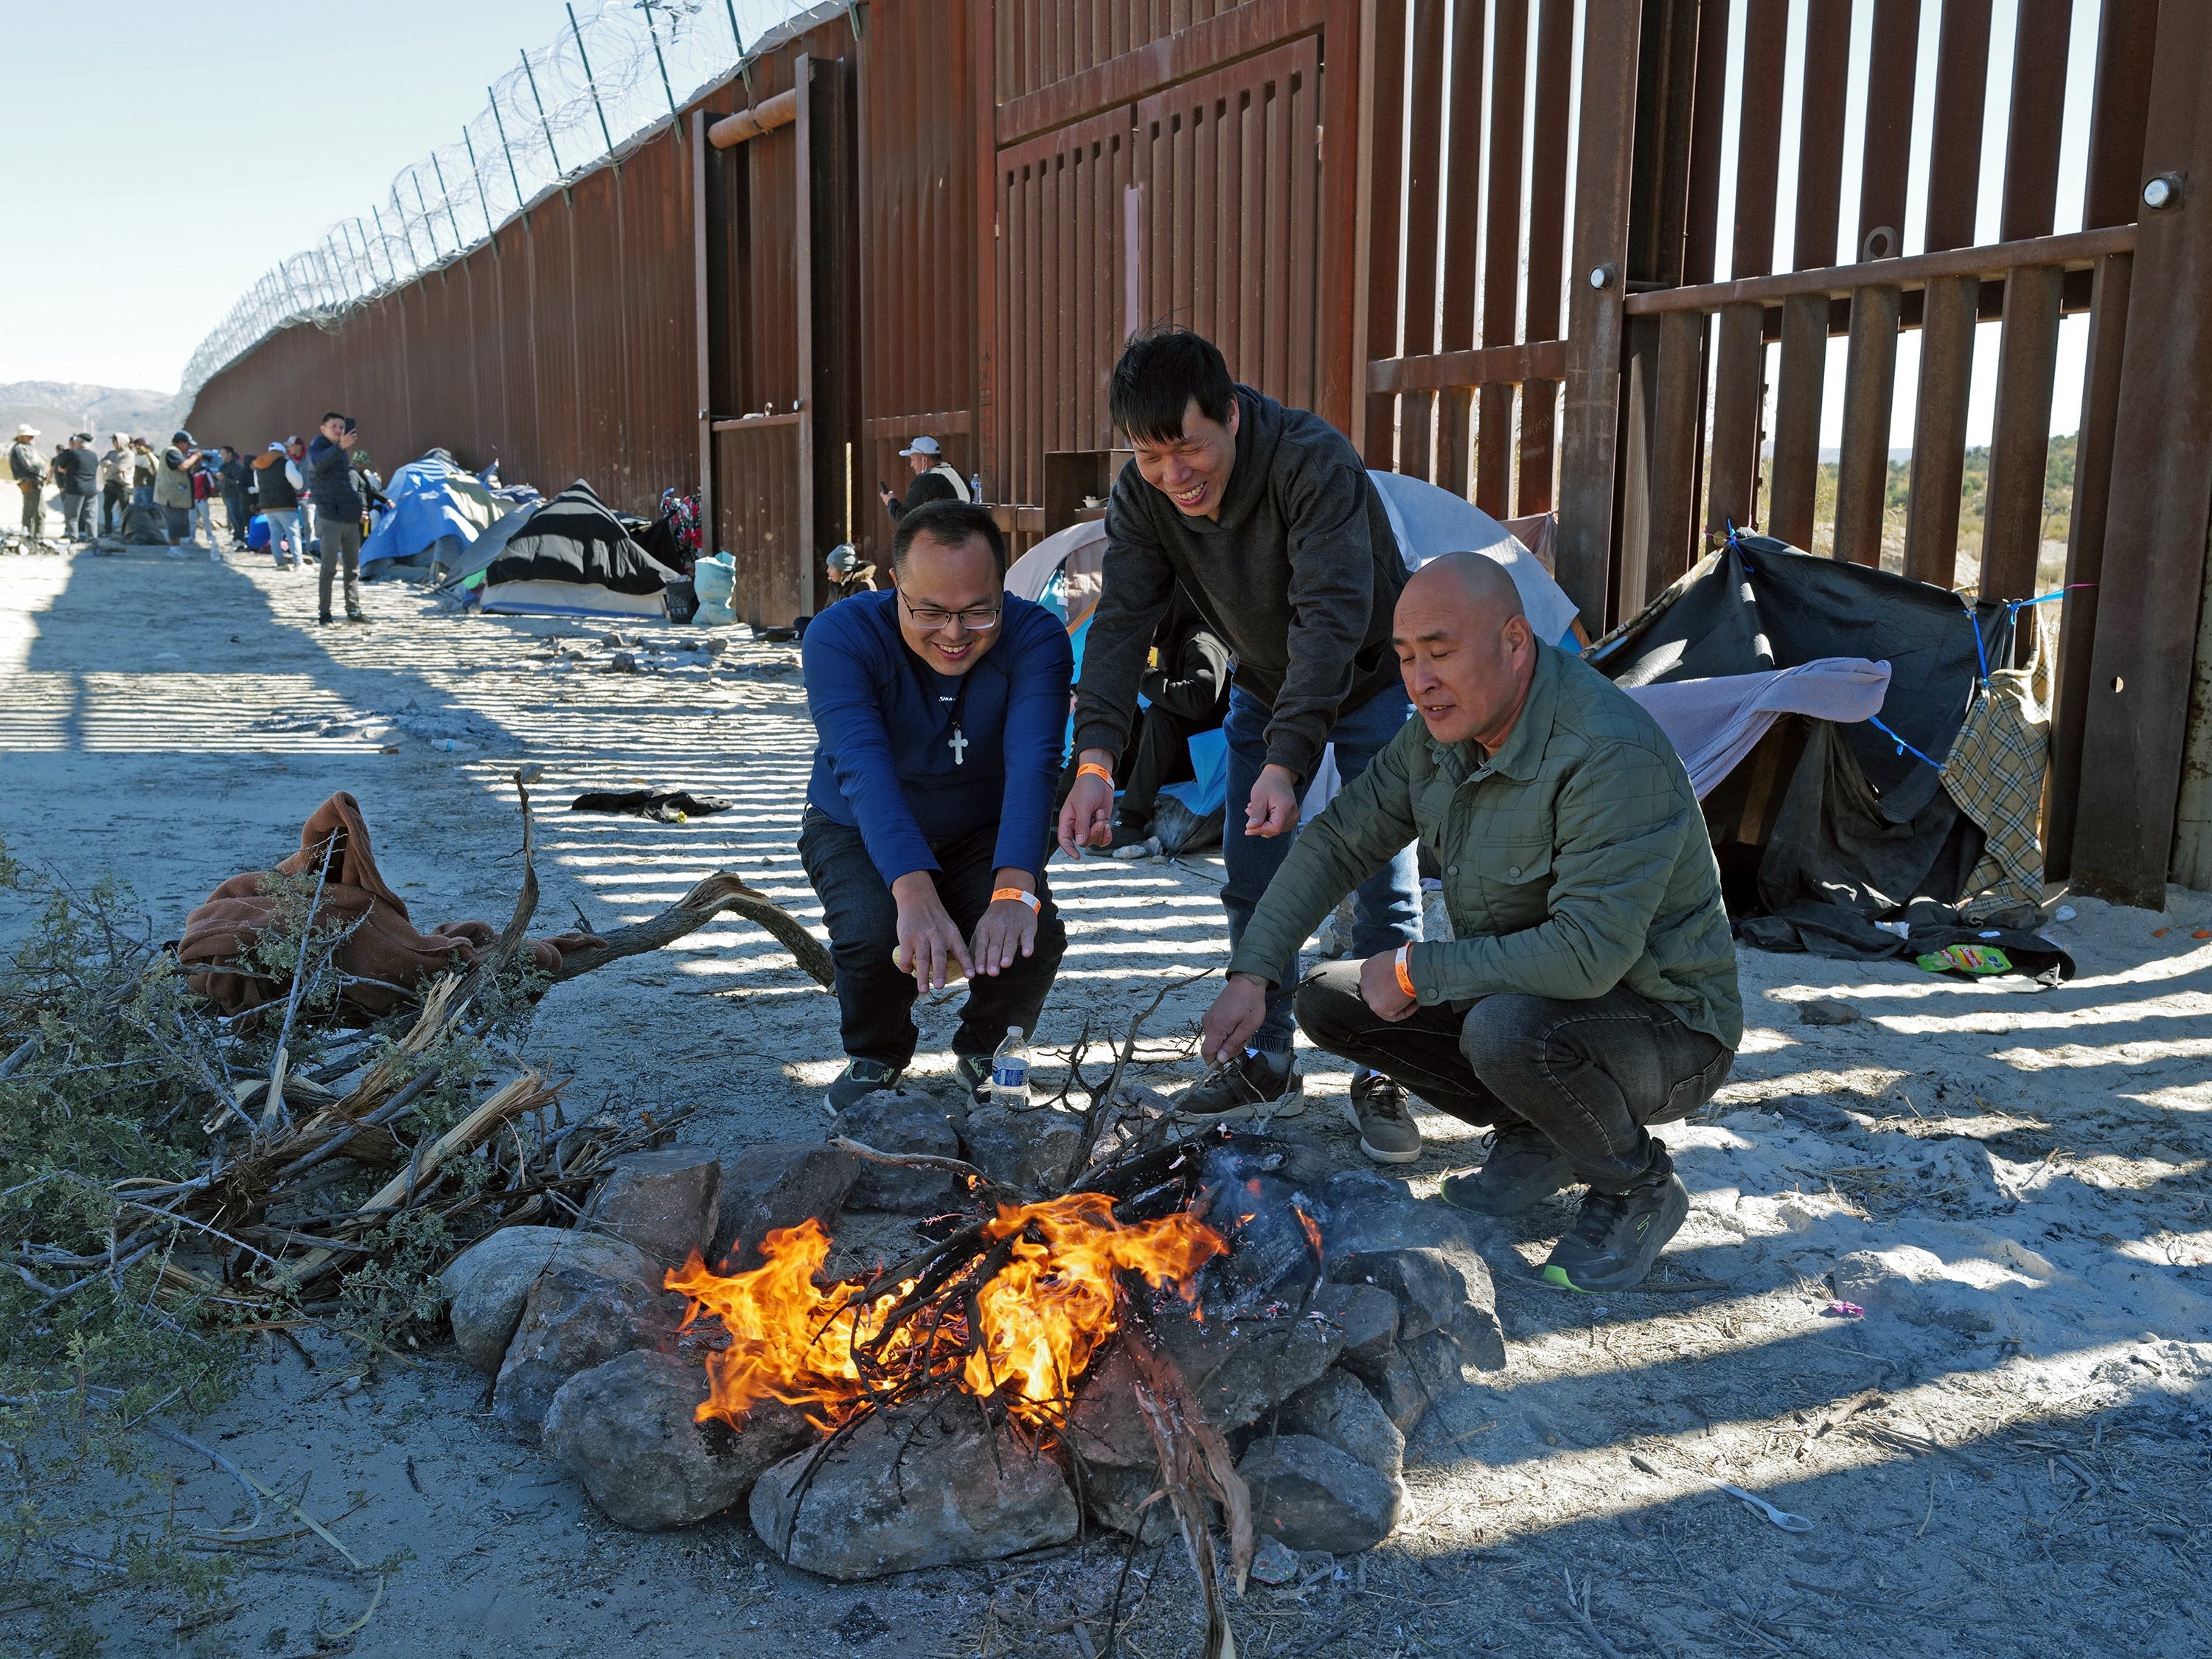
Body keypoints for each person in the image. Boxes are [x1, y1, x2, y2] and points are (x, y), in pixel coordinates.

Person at [1200, 554, 1740, 1286]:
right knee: (1331, 995)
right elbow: (1338, 840)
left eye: (1441, 653)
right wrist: (1255, 971)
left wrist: (1421, 967)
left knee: (1506, 1030)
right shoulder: (1438, 735)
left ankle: (1636, 1186)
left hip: (1668, 1027)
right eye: (1406, 658)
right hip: (1536, 1004)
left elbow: (1589, 955)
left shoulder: (1608, 751)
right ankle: (1539, 1133)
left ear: (1514, 642)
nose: (1420, 681)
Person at [1058, 327, 1421, 1145]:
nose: (1173, 477)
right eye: (1151, 458)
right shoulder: (1143, 494)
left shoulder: (1311, 460)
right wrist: (1095, 760)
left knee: (1384, 880)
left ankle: (1386, 1071)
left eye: (1188, 449)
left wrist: (1290, 760)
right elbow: (1120, 624)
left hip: (1372, 674)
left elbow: (1329, 619)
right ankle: (1266, 1062)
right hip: (1261, 681)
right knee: (1251, 873)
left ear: (1229, 413)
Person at [799, 498, 1073, 1113]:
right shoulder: (840, 636)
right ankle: (877, 1054)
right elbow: (862, 769)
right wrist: (913, 890)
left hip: (982, 824)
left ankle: (987, 1044)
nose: (954, 635)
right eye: (930, 612)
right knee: (874, 936)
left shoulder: (1037, 638)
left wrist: (1012, 894)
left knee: (1033, 933)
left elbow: (1036, 767)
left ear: (1003, 588)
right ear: (895, 584)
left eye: (978, 611)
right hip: (854, 822)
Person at [1110, 585, 1231, 848]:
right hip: (1176, 755)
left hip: (1201, 764)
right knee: (1121, 713)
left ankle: (1130, 823)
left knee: (1160, 715)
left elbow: (1199, 701)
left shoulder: (1202, 640)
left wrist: (1147, 677)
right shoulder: (1172, 642)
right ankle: (1064, 803)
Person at [305, 412, 364, 624]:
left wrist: (358, 509)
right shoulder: (317, 449)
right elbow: (319, 465)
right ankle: (325, 613)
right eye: (334, 427)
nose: (339, 431)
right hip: (329, 517)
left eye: (341, 427)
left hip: (349, 517)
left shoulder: (340, 452)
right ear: (323, 429)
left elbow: (344, 484)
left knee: (353, 570)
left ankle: (354, 610)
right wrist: (340, 446)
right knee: (329, 569)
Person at [877, 435, 971, 524]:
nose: (912, 465)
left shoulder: (926, 479)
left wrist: (890, 501)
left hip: (943, 539)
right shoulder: (959, 477)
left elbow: (905, 518)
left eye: (913, 460)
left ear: (924, 460)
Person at [254, 441, 307, 571]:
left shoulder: (259, 466)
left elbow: (257, 486)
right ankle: (298, 562)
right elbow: (298, 484)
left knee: (275, 534)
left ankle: (280, 562)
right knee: (293, 534)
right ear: (282, 452)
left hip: (267, 505)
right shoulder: (286, 463)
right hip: (285, 504)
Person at [156, 430, 202, 550]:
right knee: (174, 523)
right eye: (187, 444)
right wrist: (195, 456)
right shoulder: (172, 452)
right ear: (181, 443)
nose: (188, 448)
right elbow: (183, 466)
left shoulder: (174, 453)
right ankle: (174, 549)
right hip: (170, 497)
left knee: (178, 522)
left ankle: (176, 548)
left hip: (174, 496)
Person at [53, 434, 99, 543]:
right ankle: (93, 540)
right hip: (92, 490)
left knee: (72, 517)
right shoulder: (94, 456)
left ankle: (74, 540)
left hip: (75, 489)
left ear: (79, 442)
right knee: (91, 517)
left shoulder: (72, 454)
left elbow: (60, 468)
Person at [9, 423, 48, 538]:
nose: (32, 438)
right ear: (22, 437)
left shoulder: (23, 448)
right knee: (36, 511)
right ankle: (35, 537)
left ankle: (31, 536)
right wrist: (42, 474)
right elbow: (28, 465)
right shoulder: (20, 449)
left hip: (31, 483)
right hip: (31, 483)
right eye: (29, 436)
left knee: (32, 511)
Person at [217, 446, 252, 548]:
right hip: (226, 495)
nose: (222, 456)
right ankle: (236, 537)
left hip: (235, 496)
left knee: (237, 518)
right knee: (232, 518)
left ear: (230, 454)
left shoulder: (236, 467)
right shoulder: (223, 466)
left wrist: (225, 479)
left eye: (223, 454)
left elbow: (238, 482)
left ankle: (240, 538)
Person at [97, 433, 131, 536]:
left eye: (115, 440)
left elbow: (120, 468)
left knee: (125, 509)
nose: (113, 443)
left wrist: (110, 465)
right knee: (107, 507)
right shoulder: (112, 453)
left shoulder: (128, 454)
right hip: (110, 484)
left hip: (123, 485)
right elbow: (102, 462)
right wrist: (110, 465)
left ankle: (125, 531)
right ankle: (108, 530)